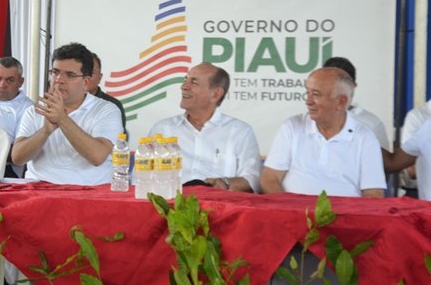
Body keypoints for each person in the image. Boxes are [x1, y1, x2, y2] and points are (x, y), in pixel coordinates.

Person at [261, 67, 385, 197]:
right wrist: (288, 207)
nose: (308, 101)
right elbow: (269, 180)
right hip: (292, 208)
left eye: (316, 94)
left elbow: (374, 193)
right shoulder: (292, 126)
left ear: (341, 101)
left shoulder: (364, 137)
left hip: (344, 210)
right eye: (307, 92)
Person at [12, 42, 123, 185]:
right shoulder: (35, 111)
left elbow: (97, 156)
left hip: (88, 191)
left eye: (70, 75)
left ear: (86, 82)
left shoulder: (107, 110)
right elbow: (17, 158)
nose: (59, 80)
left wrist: (62, 120)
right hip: (38, 190)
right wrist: (45, 131)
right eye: (56, 72)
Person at [149, 63, 261, 192]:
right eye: (185, 80)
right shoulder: (163, 129)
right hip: (170, 202)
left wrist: (224, 183)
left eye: (194, 82)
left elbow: (252, 179)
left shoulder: (240, 131)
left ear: (216, 94)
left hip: (219, 202)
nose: (184, 86)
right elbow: (141, 177)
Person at [323, 57, 390, 150]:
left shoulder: (372, 123)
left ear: (353, 86)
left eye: (341, 86)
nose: (335, 91)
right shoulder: (309, 120)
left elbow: (381, 158)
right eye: (329, 85)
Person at [87, 53, 127, 132]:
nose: (85, 77)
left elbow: (118, 137)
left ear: (99, 78)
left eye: (90, 73)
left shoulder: (113, 105)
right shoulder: (65, 101)